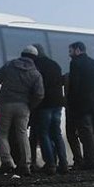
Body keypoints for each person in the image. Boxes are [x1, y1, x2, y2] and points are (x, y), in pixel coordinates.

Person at [0, 46, 44, 176]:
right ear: (35, 58)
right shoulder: (35, 73)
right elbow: (39, 94)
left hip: (5, 104)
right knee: (22, 134)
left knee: (3, 134)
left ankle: (7, 162)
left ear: (21, 54)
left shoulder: (9, 65)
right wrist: (30, 106)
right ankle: (26, 164)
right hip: (23, 106)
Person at [67, 41, 94, 170]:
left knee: (87, 133)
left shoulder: (75, 63)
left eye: (71, 51)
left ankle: (90, 162)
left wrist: (72, 102)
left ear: (78, 50)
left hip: (82, 103)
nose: (70, 54)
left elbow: (75, 84)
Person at [30, 44, 68, 175]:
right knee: (56, 133)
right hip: (58, 103)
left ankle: (50, 164)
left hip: (44, 103)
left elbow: (36, 86)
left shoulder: (36, 65)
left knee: (44, 133)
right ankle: (63, 163)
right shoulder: (55, 64)